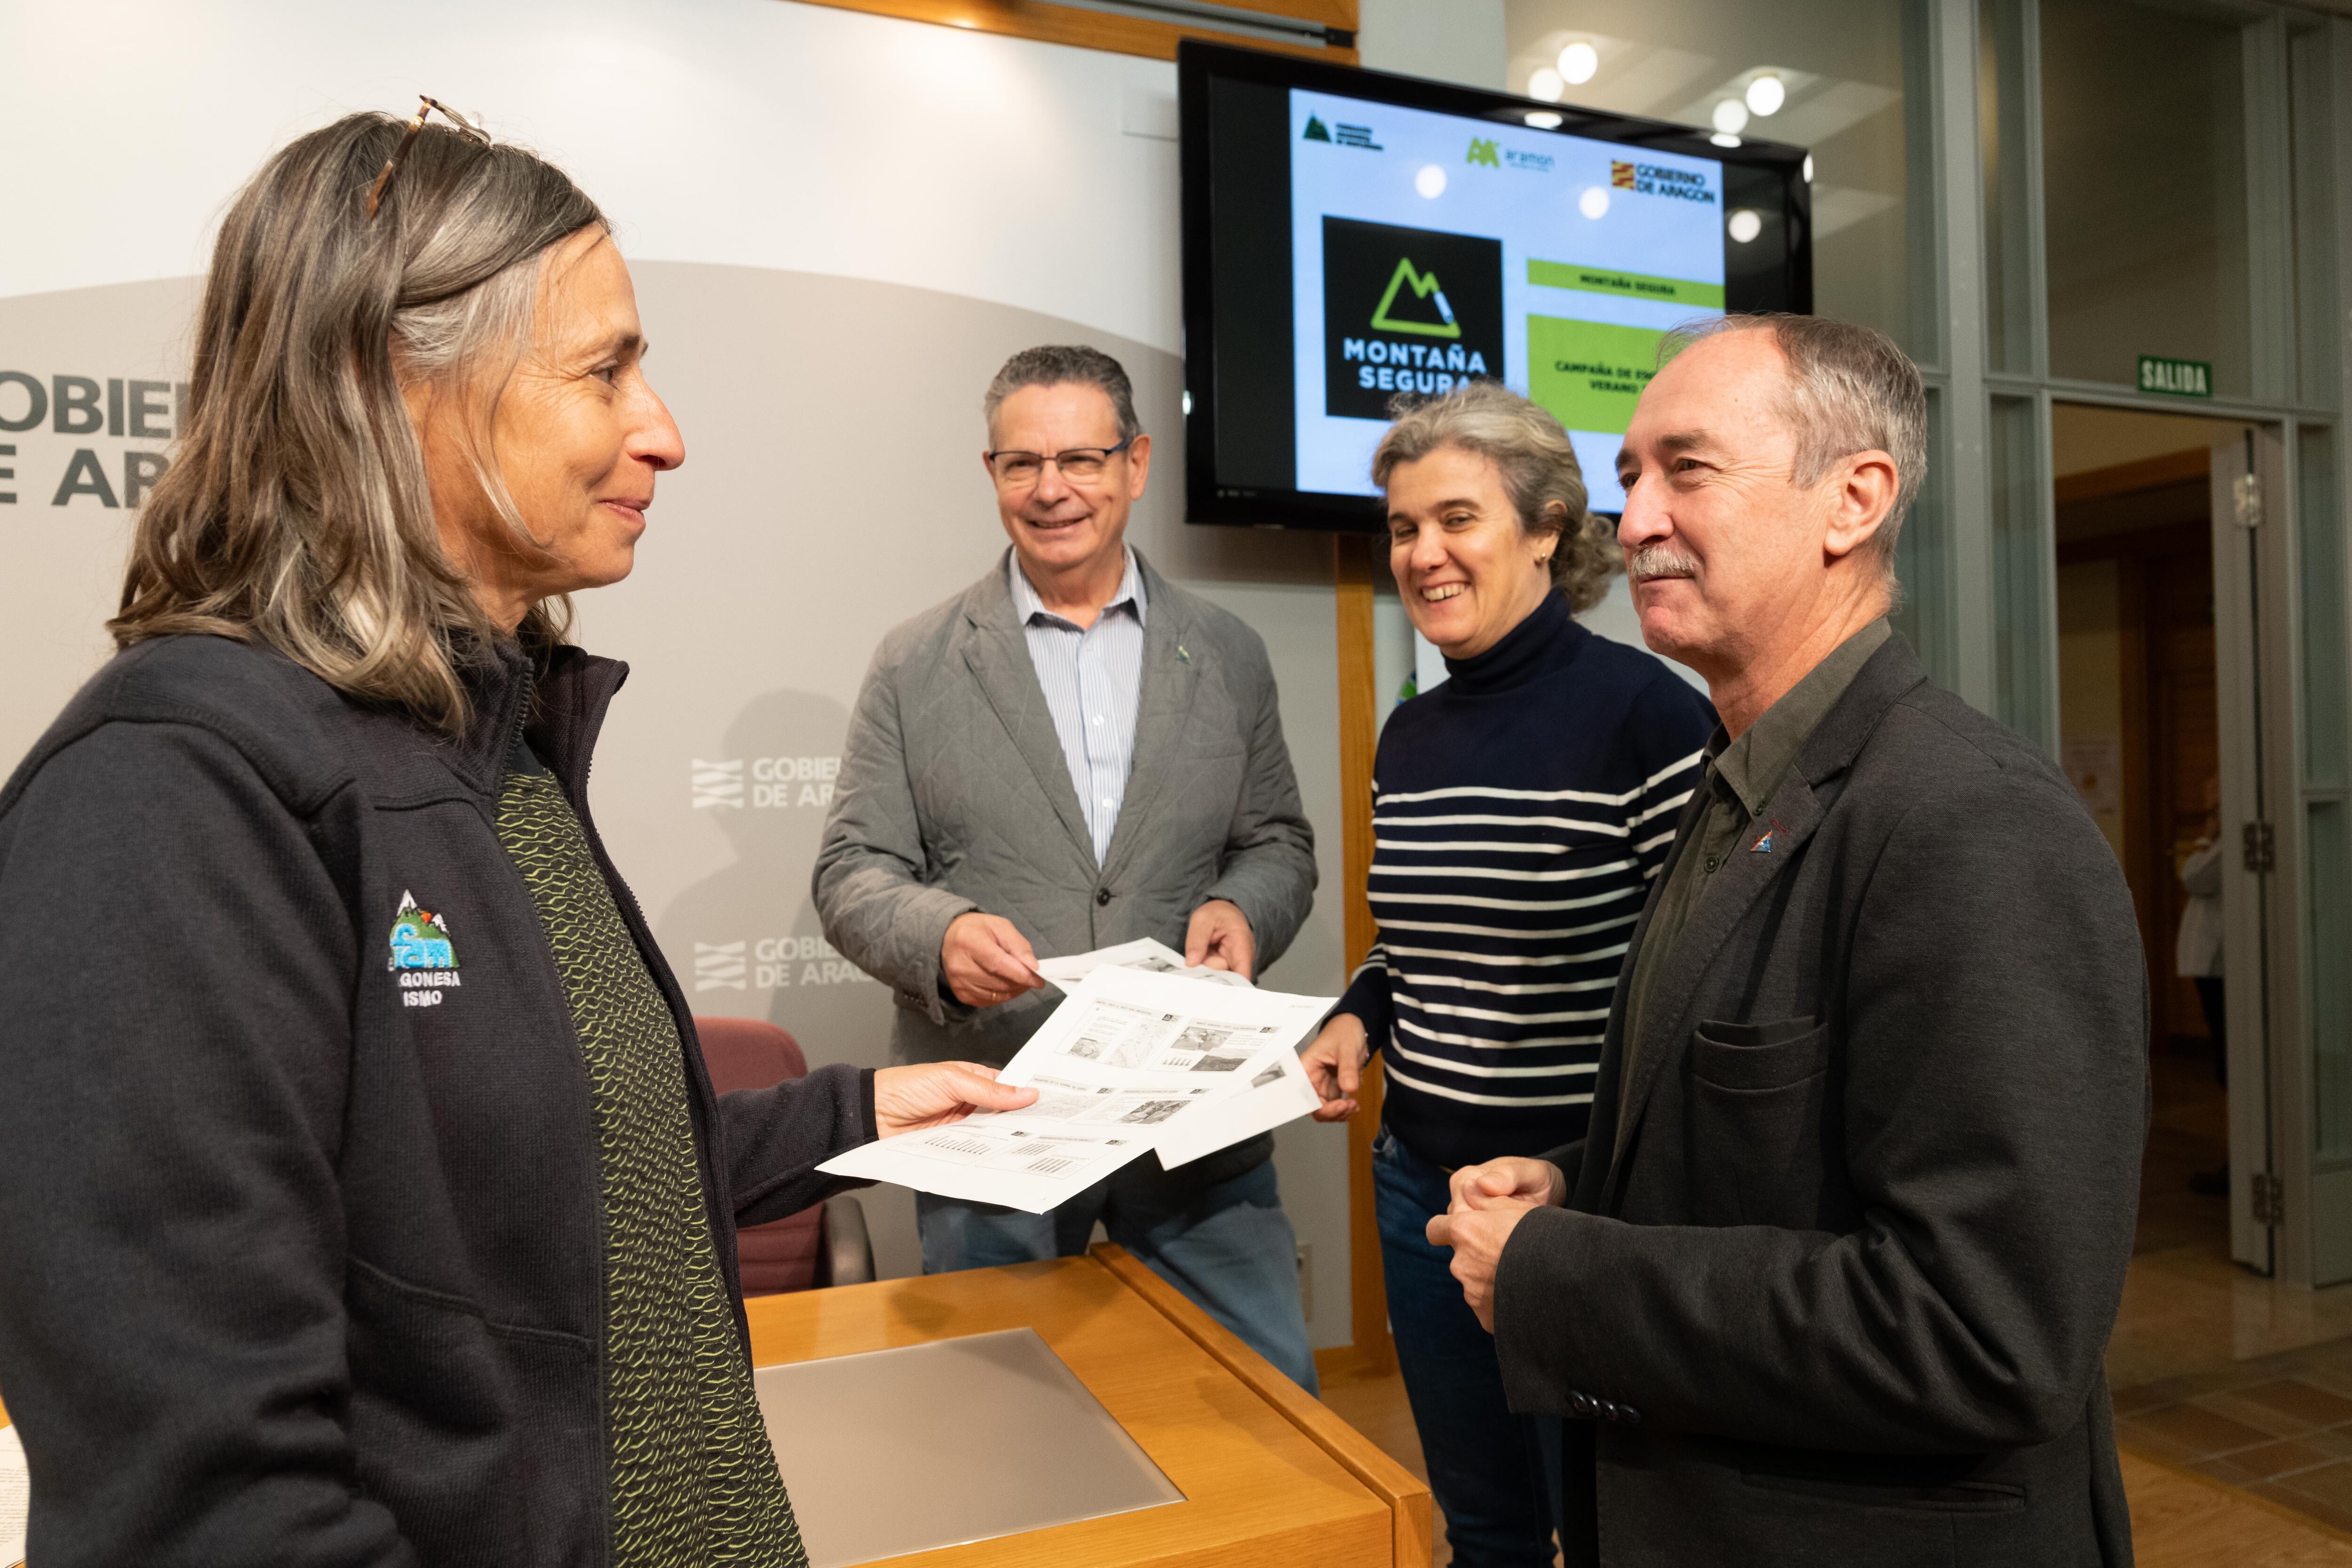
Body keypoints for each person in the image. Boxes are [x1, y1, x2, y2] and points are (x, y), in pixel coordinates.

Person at [0, 104, 1034, 1568]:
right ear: (385, 384)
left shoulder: (481, 742)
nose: (662, 431)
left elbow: (511, 1165)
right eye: (605, 368)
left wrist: (853, 1116)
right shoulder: (169, 798)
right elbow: (213, 1506)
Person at [1427, 314, 2146, 1567]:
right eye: (1630, 478)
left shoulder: (1970, 821)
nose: (1634, 519)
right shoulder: (1740, 785)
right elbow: (1764, 1148)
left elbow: (1986, 1328)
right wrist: (1577, 1183)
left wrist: (1559, 1274)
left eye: (1686, 470)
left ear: (1852, 498)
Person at [814, 345, 1321, 1391]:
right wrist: (941, 938)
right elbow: (853, 869)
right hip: (995, 1119)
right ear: (991, 473)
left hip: (1191, 1123)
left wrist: (1241, 908)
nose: (1051, 490)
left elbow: (1278, 842)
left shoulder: (1226, 651)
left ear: (1135, 463)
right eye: (1021, 463)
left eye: (1081, 459)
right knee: (1006, 1434)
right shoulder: (915, 662)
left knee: (1261, 1409)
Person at [1297, 382, 1712, 1568]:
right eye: (1402, 527)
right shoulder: (1410, 732)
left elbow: (1694, 970)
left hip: (1568, 1208)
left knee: (1600, 1526)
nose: (1422, 554)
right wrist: (1354, 1014)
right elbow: (1408, 939)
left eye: (1457, 520)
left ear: (1545, 529)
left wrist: (1583, 1189)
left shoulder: (1648, 718)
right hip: (1416, 1190)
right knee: (1478, 1525)